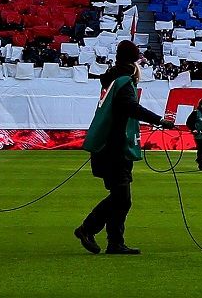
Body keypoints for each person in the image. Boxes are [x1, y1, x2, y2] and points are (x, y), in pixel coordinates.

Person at [75, 40, 168, 256]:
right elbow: (131, 108)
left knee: (120, 197)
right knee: (122, 198)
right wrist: (159, 120)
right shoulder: (124, 81)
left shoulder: (112, 79)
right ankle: (87, 229)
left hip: (107, 146)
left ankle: (115, 242)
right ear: (133, 60)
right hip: (115, 147)